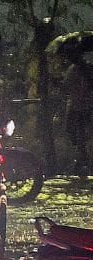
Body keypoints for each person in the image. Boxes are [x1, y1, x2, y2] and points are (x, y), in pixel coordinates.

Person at [60, 47, 93, 175]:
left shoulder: (75, 69)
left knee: (75, 132)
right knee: (80, 134)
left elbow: (65, 86)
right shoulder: (85, 68)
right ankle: (82, 159)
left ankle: (82, 159)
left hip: (79, 106)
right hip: (83, 105)